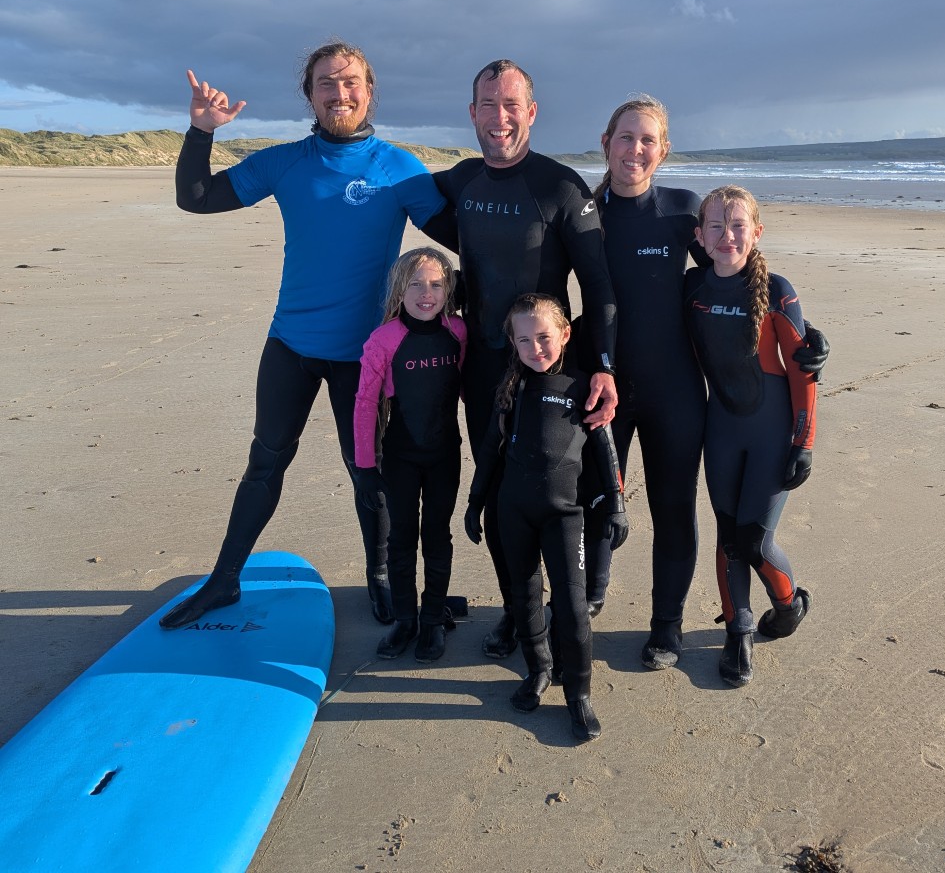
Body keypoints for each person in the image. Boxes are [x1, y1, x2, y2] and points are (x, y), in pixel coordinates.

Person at [159, 40, 446, 630]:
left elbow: (465, 237)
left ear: (369, 91)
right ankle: (224, 580)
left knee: (368, 472)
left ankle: (382, 577)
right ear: (309, 94)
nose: (339, 93)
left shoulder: (399, 169)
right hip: (289, 347)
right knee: (265, 464)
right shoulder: (285, 162)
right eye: (325, 83)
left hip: (365, 359)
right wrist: (200, 132)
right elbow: (195, 199)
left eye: (350, 83)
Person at [578, 97, 829, 670]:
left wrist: (804, 335)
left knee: (672, 511)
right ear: (606, 142)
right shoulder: (583, 215)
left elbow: (735, 271)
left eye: (648, 140)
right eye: (625, 137)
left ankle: (666, 627)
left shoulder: (681, 211)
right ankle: (592, 596)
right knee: (597, 502)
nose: (635, 150)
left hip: (676, 393)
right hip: (606, 383)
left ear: (663, 150)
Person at [425, 60, 619, 660]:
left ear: (531, 112)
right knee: (502, 494)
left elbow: (601, 289)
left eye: (512, 104)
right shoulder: (459, 183)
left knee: (559, 493)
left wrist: (603, 365)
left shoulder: (562, 188)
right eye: (489, 103)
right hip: (482, 371)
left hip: (549, 370)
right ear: (473, 112)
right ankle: (518, 611)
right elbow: (392, 196)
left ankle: (573, 608)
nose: (500, 116)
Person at [464, 294, 628, 742]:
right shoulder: (510, 391)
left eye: (544, 337)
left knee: (573, 607)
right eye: (524, 340)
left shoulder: (584, 389)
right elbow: (489, 454)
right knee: (525, 597)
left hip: (564, 516)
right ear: (512, 344)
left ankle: (579, 694)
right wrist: (476, 502)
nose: (536, 348)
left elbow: (604, 449)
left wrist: (616, 504)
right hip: (513, 512)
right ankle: (539, 671)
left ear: (565, 335)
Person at [682, 185, 816, 686]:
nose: (726, 235)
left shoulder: (777, 288)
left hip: (773, 432)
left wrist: (804, 442)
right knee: (729, 537)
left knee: (755, 541)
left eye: (738, 226)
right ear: (700, 235)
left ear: (756, 233)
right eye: (715, 226)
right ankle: (738, 630)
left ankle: (788, 603)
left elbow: (803, 372)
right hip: (721, 430)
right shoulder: (693, 289)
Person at [353, 247, 466, 663]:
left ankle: (433, 619)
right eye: (416, 284)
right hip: (399, 457)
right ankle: (406, 619)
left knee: (438, 537)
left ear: (448, 289)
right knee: (400, 538)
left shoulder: (458, 332)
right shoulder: (384, 339)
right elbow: (365, 402)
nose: (426, 293)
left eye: (437, 284)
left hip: (444, 455)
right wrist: (365, 466)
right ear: (399, 288)